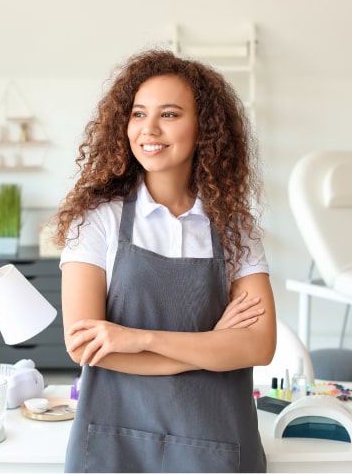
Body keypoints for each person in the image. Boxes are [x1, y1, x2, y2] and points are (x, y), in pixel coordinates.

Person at [53, 48, 277, 473]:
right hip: (115, 442)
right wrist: (213, 344)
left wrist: (139, 339)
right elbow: (84, 345)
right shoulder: (97, 222)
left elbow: (259, 346)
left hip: (216, 442)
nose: (149, 128)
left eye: (170, 114)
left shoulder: (236, 230)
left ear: (204, 130)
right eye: (138, 114)